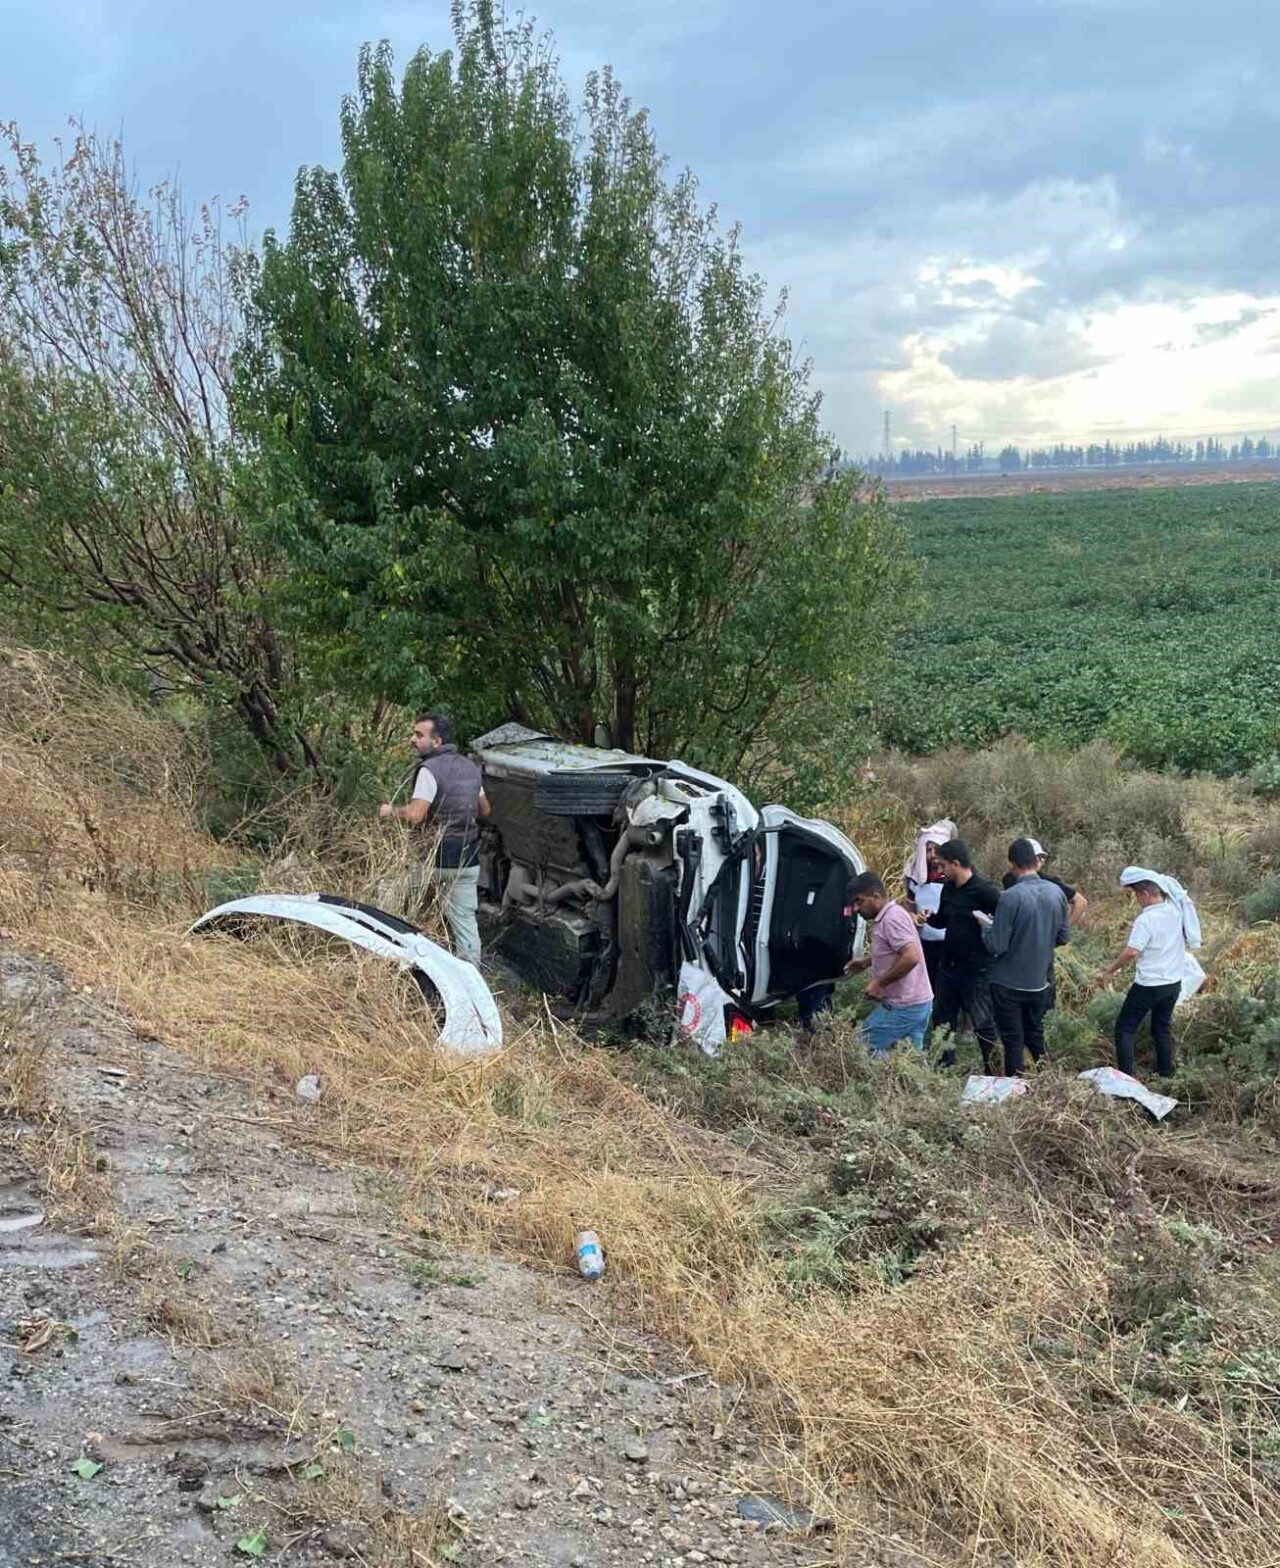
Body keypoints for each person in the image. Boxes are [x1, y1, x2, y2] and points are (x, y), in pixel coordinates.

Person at [377, 711, 490, 964]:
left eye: (419, 735)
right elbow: (485, 810)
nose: (412, 739)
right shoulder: (470, 767)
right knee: (465, 923)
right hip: (467, 859)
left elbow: (416, 815)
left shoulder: (429, 769)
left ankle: (390, 958)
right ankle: (471, 980)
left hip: (433, 860)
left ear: (437, 741)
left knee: (388, 894)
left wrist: (390, 812)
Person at [1095, 866, 1202, 1079]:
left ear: (1145, 894)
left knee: (1124, 1029)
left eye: (1136, 895)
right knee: (1161, 1028)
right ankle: (1166, 1074)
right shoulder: (1174, 909)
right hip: (1173, 983)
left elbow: (1131, 952)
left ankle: (1126, 1079)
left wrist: (1110, 971)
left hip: (1149, 985)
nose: (1136, 900)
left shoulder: (1146, 919)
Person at [980, 838, 1070, 1075]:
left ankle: (1015, 1088)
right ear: (1035, 861)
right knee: (1035, 1035)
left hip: (1007, 983)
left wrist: (985, 926)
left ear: (1012, 864)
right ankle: (1048, 1080)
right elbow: (1063, 937)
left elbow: (997, 945)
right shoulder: (1056, 893)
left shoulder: (1010, 897)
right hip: (1039, 981)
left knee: (1013, 1042)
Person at [923, 839, 1001, 1071]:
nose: (939, 871)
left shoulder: (985, 891)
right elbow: (942, 920)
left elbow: (1004, 924)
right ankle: (943, 1065)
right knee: (942, 1019)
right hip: (949, 966)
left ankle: (993, 1069)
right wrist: (926, 916)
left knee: (983, 1023)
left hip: (976, 970)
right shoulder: (949, 888)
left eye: (942, 866)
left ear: (956, 863)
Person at [845, 871, 934, 1053]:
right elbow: (896, 951)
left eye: (859, 901)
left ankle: (883, 1078)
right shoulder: (893, 914)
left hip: (903, 1005)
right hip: (919, 1002)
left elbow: (911, 956)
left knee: (859, 1047)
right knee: (911, 1060)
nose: (855, 908)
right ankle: (904, 1080)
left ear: (876, 896)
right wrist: (866, 962)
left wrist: (880, 983)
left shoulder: (891, 919)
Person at [903, 820, 955, 998]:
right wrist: (913, 916)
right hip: (923, 941)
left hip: (950, 941)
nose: (932, 855)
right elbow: (909, 906)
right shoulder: (914, 877)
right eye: (928, 850)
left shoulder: (954, 877)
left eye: (937, 850)